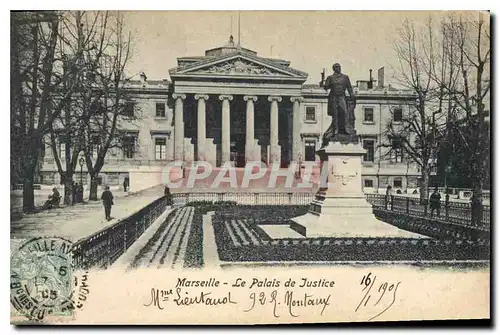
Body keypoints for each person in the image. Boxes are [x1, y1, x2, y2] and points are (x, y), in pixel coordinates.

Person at [320, 63, 357, 147]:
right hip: (333, 97)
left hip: (341, 97)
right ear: (334, 69)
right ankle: (335, 131)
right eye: (336, 67)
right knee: (335, 115)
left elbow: (349, 88)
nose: (338, 68)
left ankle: (344, 130)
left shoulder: (345, 77)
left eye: (339, 67)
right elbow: (326, 87)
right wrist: (323, 82)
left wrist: (352, 96)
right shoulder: (330, 77)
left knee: (344, 113)